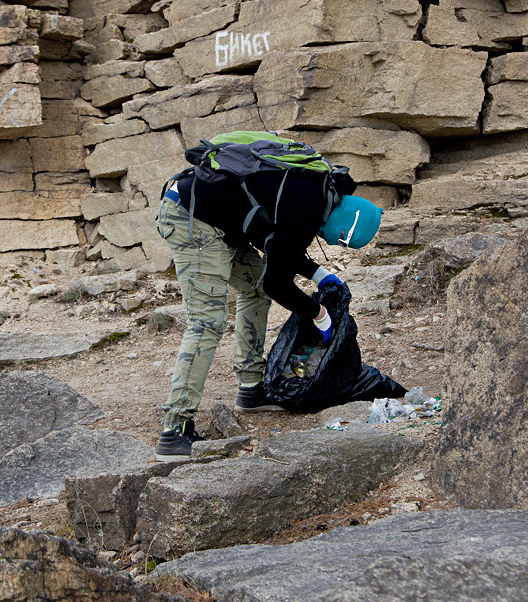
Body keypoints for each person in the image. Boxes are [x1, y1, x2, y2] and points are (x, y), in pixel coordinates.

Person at [154, 148, 382, 461]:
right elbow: (279, 284)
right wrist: (319, 315)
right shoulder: (310, 206)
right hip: (191, 218)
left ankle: (251, 389)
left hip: (220, 219)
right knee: (207, 321)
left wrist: (319, 274)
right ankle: (175, 429)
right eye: (340, 241)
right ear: (344, 227)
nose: (330, 243)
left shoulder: (318, 188)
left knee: (255, 287)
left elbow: (275, 244)